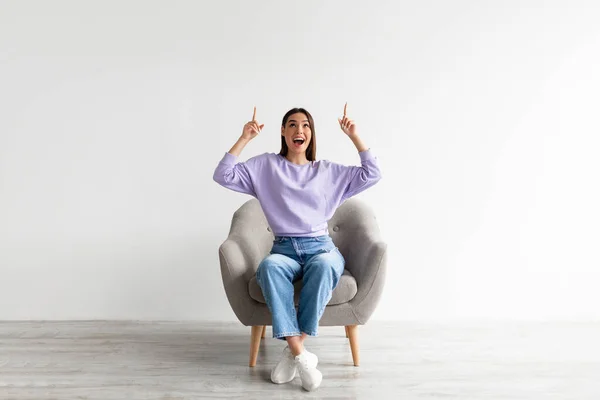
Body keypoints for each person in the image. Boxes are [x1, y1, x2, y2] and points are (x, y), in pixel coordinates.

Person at [213, 103, 381, 391]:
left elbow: (372, 173)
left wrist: (354, 136)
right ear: (282, 132)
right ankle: (302, 356)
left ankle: (294, 352)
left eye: (305, 125)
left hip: (321, 248)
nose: (298, 130)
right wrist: (244, 138)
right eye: (292, 124)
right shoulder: (266, 166)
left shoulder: (326, 171)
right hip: (284, 250)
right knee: (268, 268)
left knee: (325, 266)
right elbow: (223, 174)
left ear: (311, 135)